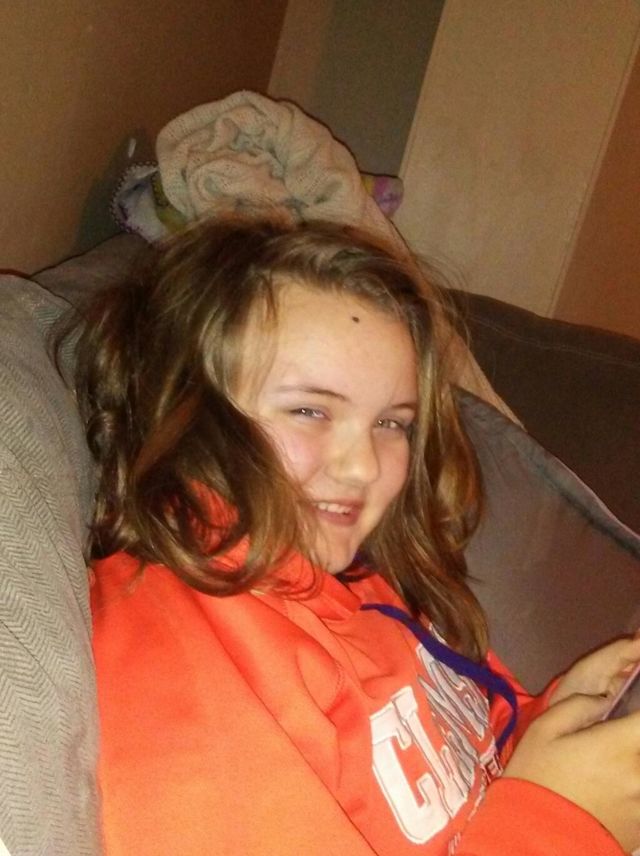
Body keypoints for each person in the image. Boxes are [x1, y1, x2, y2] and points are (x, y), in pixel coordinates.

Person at [71, 217, 640, 855]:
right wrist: (566, 819)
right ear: (186, 409)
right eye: (309, 410)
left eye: (392, 423)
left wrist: (562, 718)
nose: (365, 467)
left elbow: (468, 784)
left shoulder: (360, 589)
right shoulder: (175, 652)